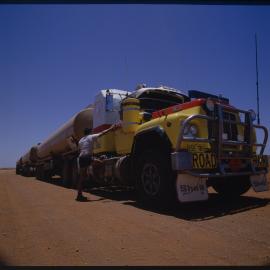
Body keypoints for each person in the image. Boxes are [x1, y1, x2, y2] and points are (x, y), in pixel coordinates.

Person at [76, 127, 99, 201]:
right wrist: (111, 129)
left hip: (81, 157)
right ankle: (95, 177)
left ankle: (79, 195)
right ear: (90, 132)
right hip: (87, 157)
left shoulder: (81, 140)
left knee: (81, 177)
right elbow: (103, 133)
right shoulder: (91, 136)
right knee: (101, 162)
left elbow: (79, 150)